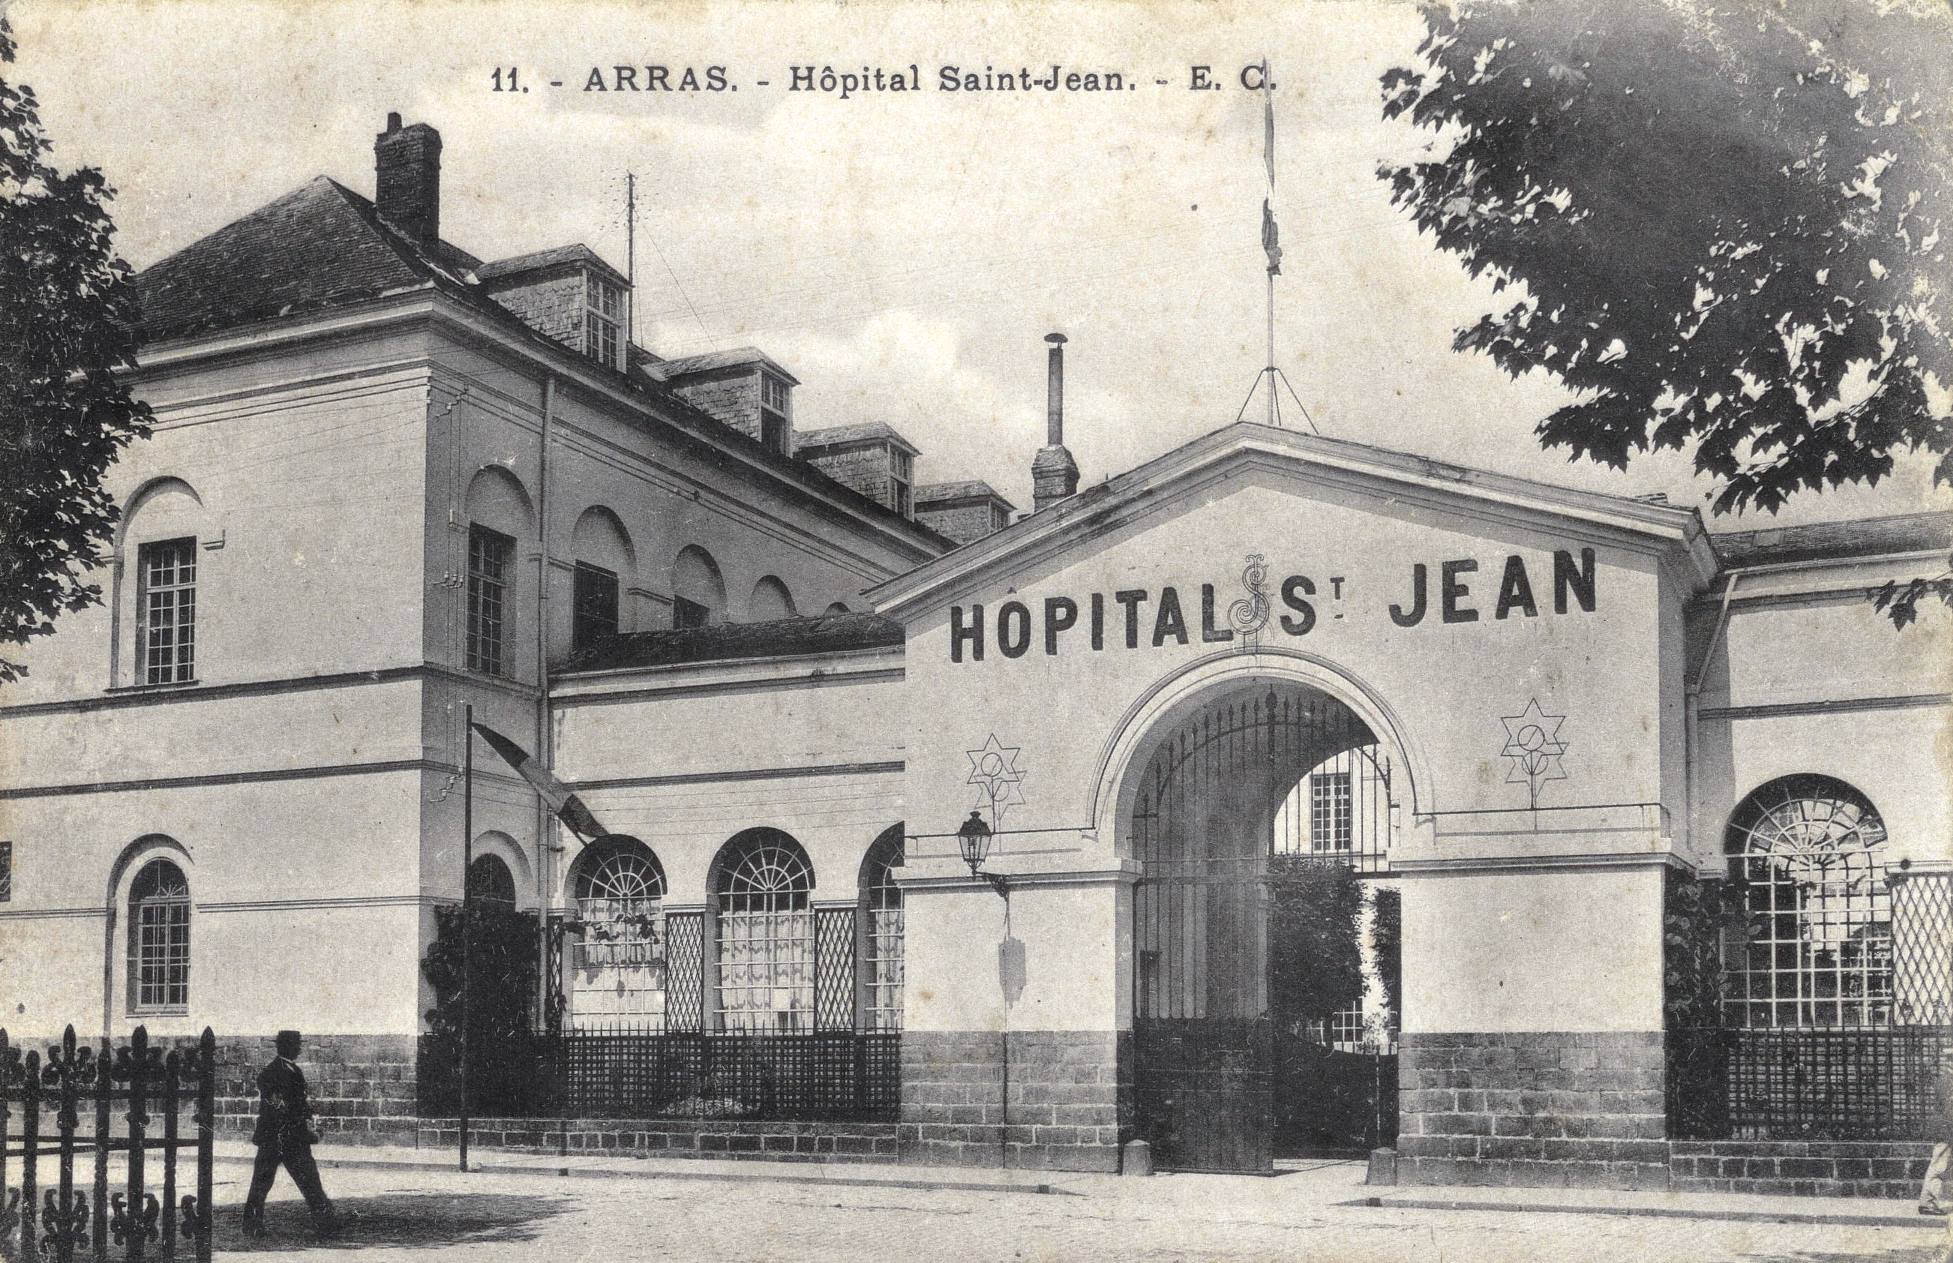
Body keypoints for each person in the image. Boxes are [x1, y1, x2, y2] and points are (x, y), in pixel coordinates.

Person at [241, 1030, 340, 1237]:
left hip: (292, 1137)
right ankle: (251, 1224)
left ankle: (326, 1222)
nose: (299, 1049)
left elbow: (298, 1102)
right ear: (286, 1047)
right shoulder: (270, 1072)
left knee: (309, 1179)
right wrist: (300, 1123)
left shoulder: (294, 1069)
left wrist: (308, 1120)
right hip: (275, 1137)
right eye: (296, 1045)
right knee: (262, 1182)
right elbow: (279, 1104)